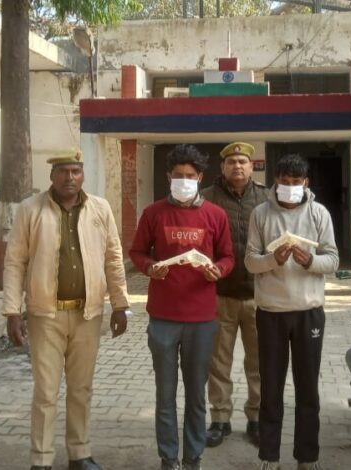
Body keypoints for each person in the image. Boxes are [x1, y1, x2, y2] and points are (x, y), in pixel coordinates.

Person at [2, 150, 130, 470]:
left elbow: (113, 258)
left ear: (83, 174)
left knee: (81, 389)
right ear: (52, 176)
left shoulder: (100, 208)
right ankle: (41, 459)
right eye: (62, 171)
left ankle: (80, 454)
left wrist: (120, 304)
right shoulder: (30, 210)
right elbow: (15, 262)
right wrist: (12, 311)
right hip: (46, 315)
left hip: (88, 315)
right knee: (46, 392)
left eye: (75, 171)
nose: (69, 178)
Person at [129, 144, 235, 470]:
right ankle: (168, 457)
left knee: (195, 395)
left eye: (190, 175)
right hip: (163, 317)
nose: (184, 181)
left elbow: (228, 256)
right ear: (168, 177)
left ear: (200, 177)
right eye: (178, 175)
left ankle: (193, 456)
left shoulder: (215, 215)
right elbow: (137, 252)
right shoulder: (153, 213)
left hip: (201, 318)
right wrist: (150, 267)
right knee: (165, 394)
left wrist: (219, 270)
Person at [244, 154, 339, 470]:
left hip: (308, 312)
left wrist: (310, 261)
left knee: (307, 388)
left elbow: (333, 260)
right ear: (276, 181)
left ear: (306, 183)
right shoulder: (260, 213)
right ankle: (269, 456)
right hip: (270, 312)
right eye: (284, 182)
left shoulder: (319, 213)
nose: (289, 187)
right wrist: (274, 259)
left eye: (296, 182)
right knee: (271, 387)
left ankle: (307, 456)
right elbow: (250, 261)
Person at [201, 142, 270, 448]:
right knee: (218, 363)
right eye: (231, 162)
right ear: (223, 167)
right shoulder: (206, 198)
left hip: (259, 295)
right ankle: (220, 419)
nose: (237, 166)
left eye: (243, 161)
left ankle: (256, 418)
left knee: (259, 363)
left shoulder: (267, 198)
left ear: (252, 165)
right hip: (220, 295)